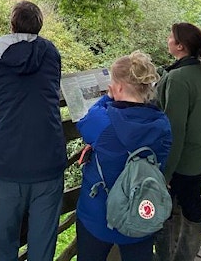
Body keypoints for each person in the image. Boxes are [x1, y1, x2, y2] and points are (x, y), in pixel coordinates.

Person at [0, 0, 67, 261]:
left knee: (4, 241)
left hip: (8, 160)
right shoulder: (50, 52)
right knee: (43, 239)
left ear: (12, 24)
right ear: (39, 25)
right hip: (48, 157)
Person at [75, 51, 172, 261]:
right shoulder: (162, 124)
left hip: (98, 214)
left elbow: (86, 118)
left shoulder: (103, 124)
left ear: (117, 87)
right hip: (142, 211)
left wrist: (107, 98)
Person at [153, 23, 201, 261]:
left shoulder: (178, 79)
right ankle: (185, 255)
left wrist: (166, 172)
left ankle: (167, 257)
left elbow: (174, 130)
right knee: (192, 205)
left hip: (185, 159)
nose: (167, 39)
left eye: (171, 37)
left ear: (180, 46)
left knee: (164, 209)